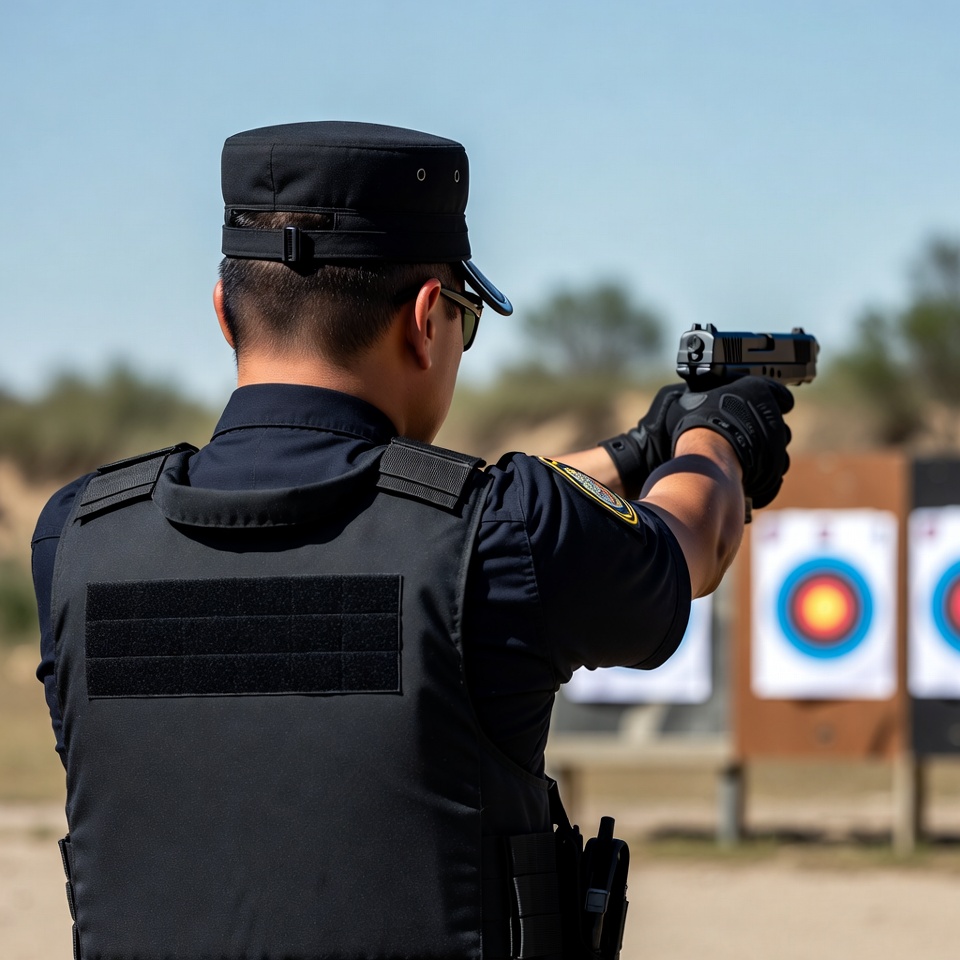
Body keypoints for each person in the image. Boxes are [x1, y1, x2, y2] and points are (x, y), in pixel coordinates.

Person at [32, 121, 792, 960]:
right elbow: (694, 537)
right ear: (428, 318)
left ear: (225, 312)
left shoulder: (79, 538)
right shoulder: (511, 535)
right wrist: (718, 434)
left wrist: (631, 452)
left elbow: (424, 514)